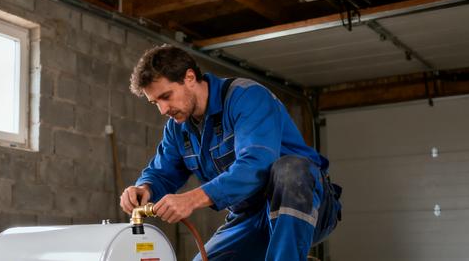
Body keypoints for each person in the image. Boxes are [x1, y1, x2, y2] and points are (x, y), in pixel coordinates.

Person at [119, 44, 341, 261]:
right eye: (154, 102)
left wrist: (192, 199)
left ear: (189, 78)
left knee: (291, 169)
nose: (163, 110)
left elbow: (256, 165)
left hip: (307, 202)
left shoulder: (246, 97)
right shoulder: (177, 129)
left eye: (166, 96)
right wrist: (144, 188)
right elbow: (162, 172)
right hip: (250, 216)